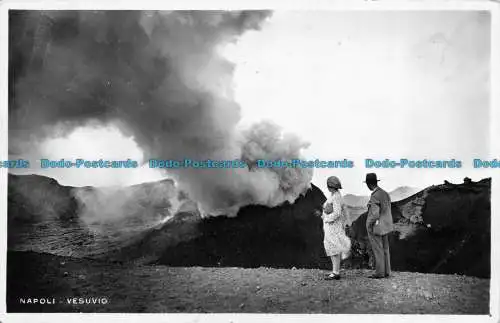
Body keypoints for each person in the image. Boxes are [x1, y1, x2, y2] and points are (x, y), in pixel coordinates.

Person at [317, 176, 351, 280]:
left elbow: (337, 213)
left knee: (334, 248)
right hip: (332, 227)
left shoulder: (336, 197)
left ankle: (336, 272)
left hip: (333, 227)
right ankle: (335, 271)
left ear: (330, 186)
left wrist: (326, 218)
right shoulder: (335, 195)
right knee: (332, 248)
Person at [364, 173, 394, 279]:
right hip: (386, 225)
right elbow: (385, 209)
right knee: (386, 248)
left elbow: (375, 214)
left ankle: (379, 273)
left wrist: (369, 224)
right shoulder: (385, 193)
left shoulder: (374, 195)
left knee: (378, 249)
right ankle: (387, 272)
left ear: (368, 184)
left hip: (377, 226)